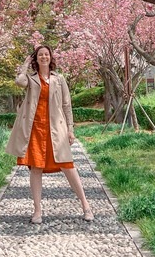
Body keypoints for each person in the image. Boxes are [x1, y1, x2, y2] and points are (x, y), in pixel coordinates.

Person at [5, 45, 94, 224]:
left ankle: (86, 206)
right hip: (35, 129)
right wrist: (24, 65)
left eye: (46, 54)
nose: (44, 57)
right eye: (40, 55)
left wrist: (70, 128)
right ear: (36, 59)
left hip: (56, 129)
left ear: (50, 57)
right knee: (36, 168)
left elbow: (67, 105)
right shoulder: (30, 79)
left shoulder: (59, 79)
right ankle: (37, 211)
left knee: (68, 166)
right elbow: (18, 82)